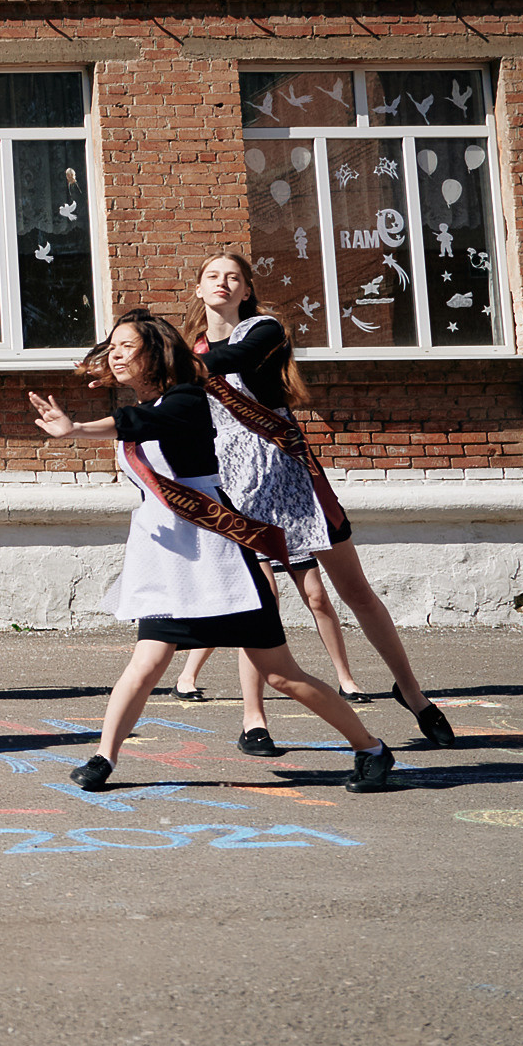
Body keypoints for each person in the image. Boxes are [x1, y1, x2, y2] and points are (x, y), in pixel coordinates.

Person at [27, 309, 395, 794]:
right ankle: (104, 757)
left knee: (281, 675)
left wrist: (76, 429)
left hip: (221, 559)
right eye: (110, 347)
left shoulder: (186, 400)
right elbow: (137, 420)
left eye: (126, 347)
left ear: (154, 354)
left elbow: (142, 422)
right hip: (169, 563)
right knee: (145, 662)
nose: (115, 355)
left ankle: (371, 749)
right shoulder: (155, 398)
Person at [184, 254, 453, 753]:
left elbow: (228, 362)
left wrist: (171, 361)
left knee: (355, 592)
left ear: (246, 290)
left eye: (234, 278)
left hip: (293, 477)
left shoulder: (262, 330)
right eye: (213, 277)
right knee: (258, 604)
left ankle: (414, 695)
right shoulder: (193, 350)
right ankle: (253, 720)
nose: (223, 284)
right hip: (239, 486)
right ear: (198, 290)